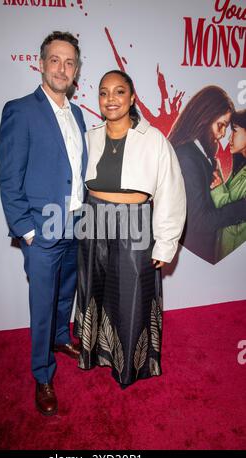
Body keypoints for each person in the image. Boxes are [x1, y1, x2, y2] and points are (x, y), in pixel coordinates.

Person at [73, 70, 186, 388]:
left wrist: (165, 243)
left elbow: (170, 191)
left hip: (135, 221)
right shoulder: (90, 136)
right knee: (94, 290)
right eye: (104, 92)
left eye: (119, 92)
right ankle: (95, 353)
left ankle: (129, 366)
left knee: (132, 294)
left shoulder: (153, 139)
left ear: (132, 97)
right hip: (93, 218)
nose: (111, 99)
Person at [0, 31, 87, 416]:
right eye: (55, 60)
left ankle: (61, 337)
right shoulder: (20, 110)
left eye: (69, 62)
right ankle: (42, 374)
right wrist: (27, 230)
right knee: (42, 304)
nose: (62, 68)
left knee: (65, 294)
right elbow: (9, 178)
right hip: (42, 231)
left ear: (76, 70)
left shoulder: (79, 112)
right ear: (41, 63)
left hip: (76, 226)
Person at [168, 86, 246, 264]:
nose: (223, 134)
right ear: (205, 118)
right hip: (193, 261)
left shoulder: (200, 155)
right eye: (221, 125)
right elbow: (199, 221)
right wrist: (242, 208)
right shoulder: (187, 157)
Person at [211, 110, 246, 260]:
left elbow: (236, 222)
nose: (229, 137)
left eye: (235, 131)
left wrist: (219, 189)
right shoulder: (239, 168)